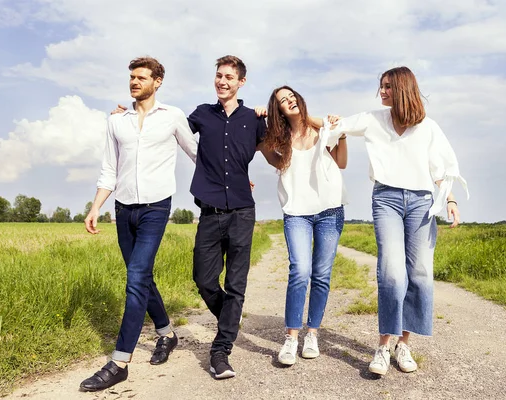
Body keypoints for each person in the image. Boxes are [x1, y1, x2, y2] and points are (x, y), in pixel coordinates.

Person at [332, 66, 468, 376]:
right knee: (392, 273)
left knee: (419, 273)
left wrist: (450, 200)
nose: (382, 91)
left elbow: (442, 169)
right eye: (380, 86)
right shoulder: (372, 119)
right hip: (386, 199)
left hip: (421, 202)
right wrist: (304, 116)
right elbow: (336, 125)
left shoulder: (428, 128)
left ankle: (403, 344)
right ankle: (383, 345)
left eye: (388, 86)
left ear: (403, 88)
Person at [80, 56, 197, 392]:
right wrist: (95, 207)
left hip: (156, 208)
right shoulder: (117, 121)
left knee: (136, 278)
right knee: (141, 276)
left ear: (157, 81)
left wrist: (233, 176)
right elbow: (109, 169)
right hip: (123, 209)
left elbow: (197, 153)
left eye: (141, 77)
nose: (134, 82)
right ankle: (166, 334)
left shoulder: (172, 117)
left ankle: (119, 362)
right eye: (131, 77)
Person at [188, 55, 267, 379]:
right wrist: (129, 116)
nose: (222, 81)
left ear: (241, 82)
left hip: (241, 212)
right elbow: (169, 132)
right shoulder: (201, 114)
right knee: (204, 280)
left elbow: (283, 141)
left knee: (235, 285)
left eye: (229, 77)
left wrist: (269, 112)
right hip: (209, 212)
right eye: (219, 75)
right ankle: (230, 320)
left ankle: (221, 352)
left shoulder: (254, 119)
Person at [258, 86, 347, 366]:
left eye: (291, 96)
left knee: (321, 274)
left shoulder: (322, 131)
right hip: (296, 211)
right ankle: (291, 337)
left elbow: (341, 162)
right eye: (282, 101)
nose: (289, 101)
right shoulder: (279, 139)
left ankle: (312, 333)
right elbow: (269, 154)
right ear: (278, 110)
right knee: (300, 270)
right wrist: (259, 121)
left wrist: (335, 129)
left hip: (330, 209)